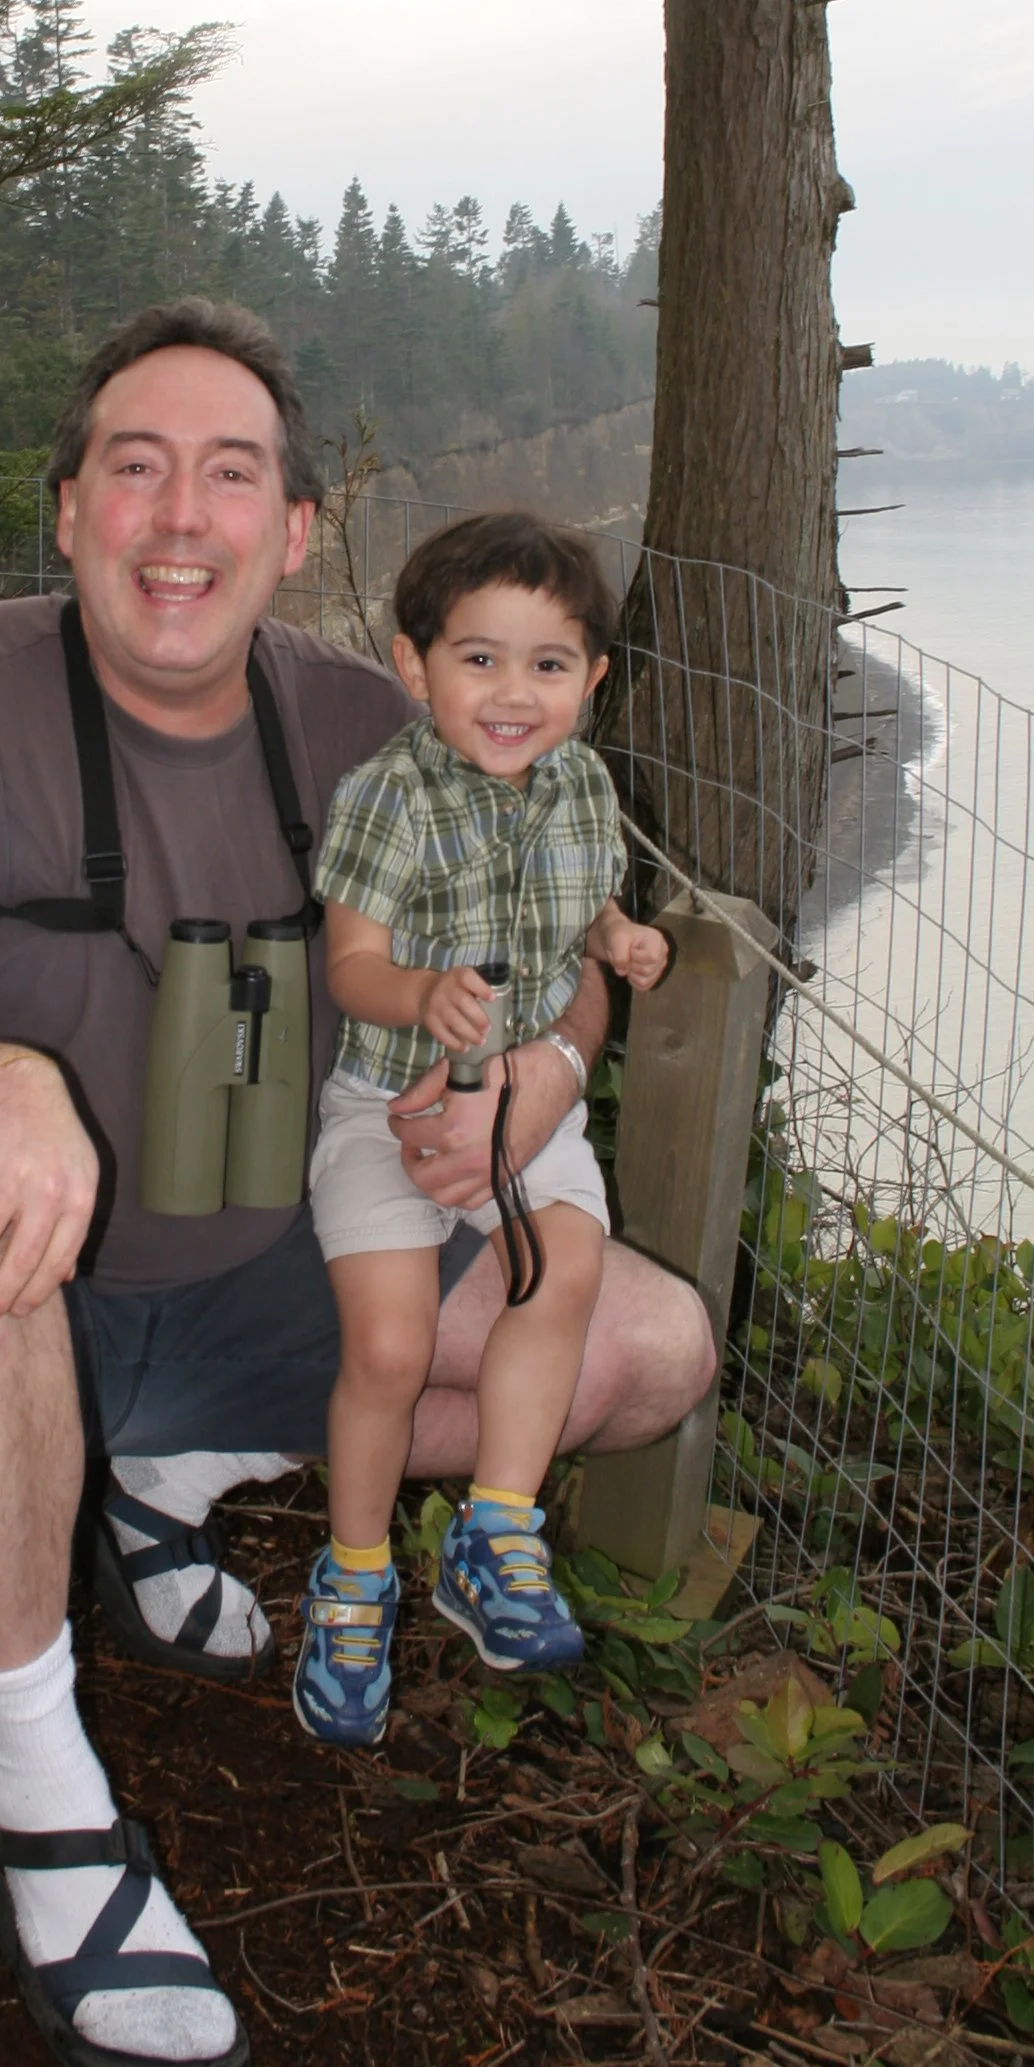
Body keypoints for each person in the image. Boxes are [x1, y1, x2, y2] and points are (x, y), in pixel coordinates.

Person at [0, 300, 718, 2067]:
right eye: (133, 468)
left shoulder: (369, 729)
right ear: (66, 506)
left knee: (643, 1342)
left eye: (230, 473)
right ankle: (46, 1791)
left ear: (296, 530)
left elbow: (571, 959)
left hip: (257, 1272)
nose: (181, 516)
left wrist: (538, 1083)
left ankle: (159, 1479)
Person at [294, 514, 673, 1750]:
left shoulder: (582, 783)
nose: (514, 694)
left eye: (548, 665)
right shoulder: (386, 797)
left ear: (590, 679)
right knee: (391, 1348)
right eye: (478, 660)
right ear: (413, 667)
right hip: (385, 1103)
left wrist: (615, 939)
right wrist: (419, 993)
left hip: (514, 1102)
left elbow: (581, 896)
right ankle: (353, 1580)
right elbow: (347, 962)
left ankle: (495, 1530)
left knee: (559, 1271)